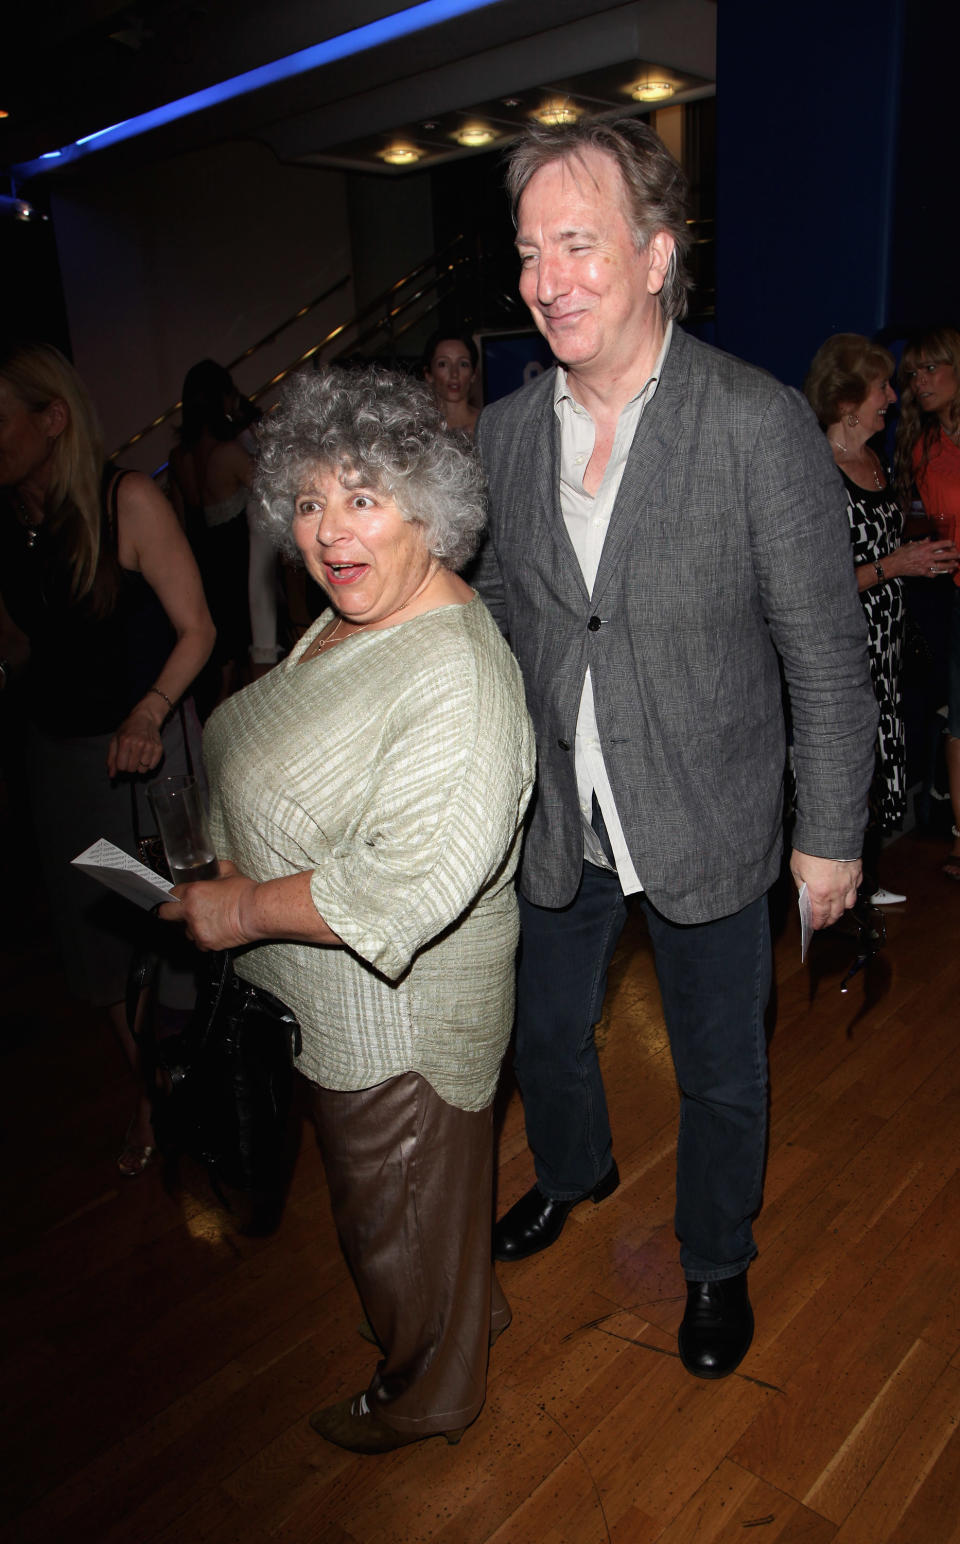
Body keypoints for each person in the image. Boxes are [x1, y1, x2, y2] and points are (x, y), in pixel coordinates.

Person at [472, 117, 878, 1381]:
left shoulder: (755, 426)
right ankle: (577, 1168)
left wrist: (828, 835)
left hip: (708, 814)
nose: (549, 279)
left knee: (720, 1070)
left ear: (655, 256)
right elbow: (488, 624)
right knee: (544, 1034)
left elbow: (825, 653)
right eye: (533, 251)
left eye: (578, 245)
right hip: (560, 819)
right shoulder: (502, 438)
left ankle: (713, 1258)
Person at [158, 365, 534, 1452]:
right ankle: (463, 1309)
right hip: (337, 1011)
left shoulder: (460, 681)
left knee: (389, 1222)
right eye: (311, 500)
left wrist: (233, 911)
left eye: (363, 497)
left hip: (398, 1030)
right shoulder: (357, 607)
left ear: (432, 508)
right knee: (421, 1211)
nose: (330, 531)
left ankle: (430, 1390)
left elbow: (393, 892)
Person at [0, 341, 215, 1173]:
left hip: (143, 765)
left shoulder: (126, 500)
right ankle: (153, 1099)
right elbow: (21, 646)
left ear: (51, 419)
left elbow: (200, 630)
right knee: (97, 952)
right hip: (61, 766)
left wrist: (148, 712)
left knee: (168, 931)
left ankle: (200, 1087)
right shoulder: (9, 525)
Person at [805, 333, 959, 902]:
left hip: (886, 641)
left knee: (877, 756)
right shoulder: (817, 471)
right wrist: (897, 565)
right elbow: (813, 588)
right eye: (881, 387)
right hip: (845, 643)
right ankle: (830, 883)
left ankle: (860, 877)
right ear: (846, 401)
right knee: (843, 763)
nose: (894, 398)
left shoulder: (876, 458)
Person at [168, 359, 279, 704]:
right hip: (236, 562)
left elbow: (180, 522)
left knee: (222, 661)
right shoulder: (228, 454)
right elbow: (275, 491)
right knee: (250, 663)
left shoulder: (178, 458)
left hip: (202, 563)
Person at [894, 325, 960, 881]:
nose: (921, 382)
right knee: (958, 720)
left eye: (932, 368)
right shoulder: (921, 447)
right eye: (912, 374)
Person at [423, 331, 480, 435]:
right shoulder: (418, 426)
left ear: (473, 374)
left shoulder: (488, 425)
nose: (454, 374)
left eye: (463, 364)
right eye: (443, 364)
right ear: (428, 374)